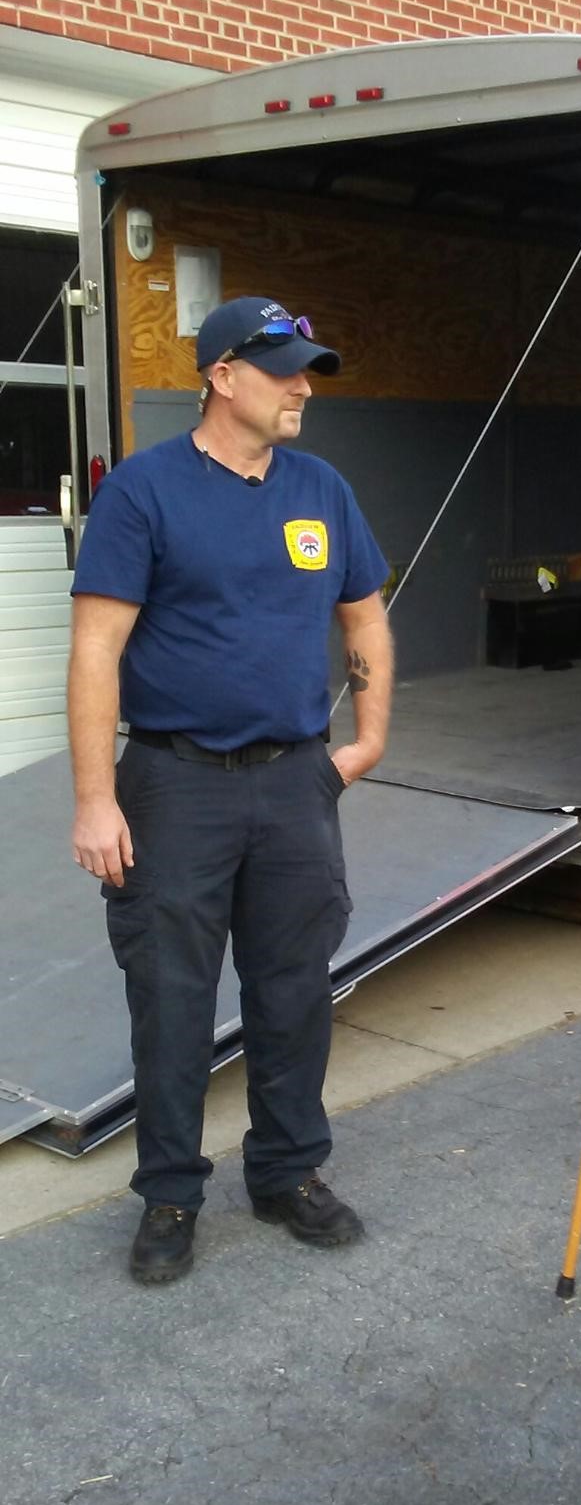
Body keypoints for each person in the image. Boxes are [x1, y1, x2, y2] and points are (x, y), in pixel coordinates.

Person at [68, 296, 393, 1285]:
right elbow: (97, 649)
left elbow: (365, 618)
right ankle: (171, 1192)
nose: (303, 386)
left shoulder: (320, 488)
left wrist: (368, 739)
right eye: (284, 369)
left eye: (307, 369)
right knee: (170, 999)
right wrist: (95, 798)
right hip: (174, 784)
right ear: (221, 377)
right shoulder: (146, 491)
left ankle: (287, 1173)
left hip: (296, 782)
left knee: (294, 990)